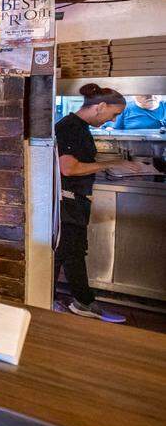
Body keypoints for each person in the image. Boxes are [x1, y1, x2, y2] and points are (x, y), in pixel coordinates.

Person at [54, 84, 151, 322]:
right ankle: (77, 302)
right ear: (100, 106)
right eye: (114, 114)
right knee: (68, 251)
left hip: (74, 200)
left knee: (69, 252)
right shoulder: (70, 128)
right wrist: (111, 164)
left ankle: (73, 301)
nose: (112, 119)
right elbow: (68, 168)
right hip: (68, 201)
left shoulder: (79, 127)